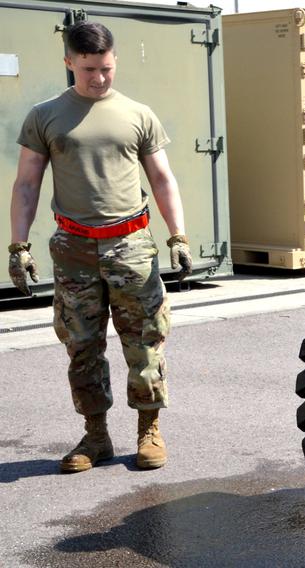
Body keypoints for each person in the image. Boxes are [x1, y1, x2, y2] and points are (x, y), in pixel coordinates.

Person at [8, 21, 193, 473]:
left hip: (130, 245)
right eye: (89, 68)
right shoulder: (45, 115)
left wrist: (178, 235)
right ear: (69, 62)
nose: (99, 78)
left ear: (115, 61)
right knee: (82, 346)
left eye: (106, 68)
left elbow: (163, 180)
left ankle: (149, 429)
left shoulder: (138, 114)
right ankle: (96, 435)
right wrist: (17, 245)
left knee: (145, 342)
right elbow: (27, 183)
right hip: (73, 248)